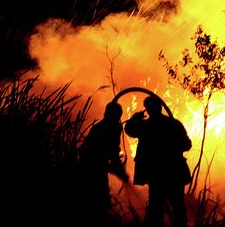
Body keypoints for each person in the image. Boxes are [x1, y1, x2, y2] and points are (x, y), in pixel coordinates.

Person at [125, 96, 192, 227]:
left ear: (148, 110)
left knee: (156, 208)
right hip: (175, 172)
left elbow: (129, 130)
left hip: (156, 175)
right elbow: (187, 145)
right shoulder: (174, 124)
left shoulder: (145, 126)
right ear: (160, 107)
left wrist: (135, 118)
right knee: (178, 206)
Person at [78, 101, 130, 223]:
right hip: (91, 167)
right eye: (117, 116)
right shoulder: (110, 128)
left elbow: (110, 154)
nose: (118, 120)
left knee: (97, 199)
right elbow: (110, 153)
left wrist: (117, 169)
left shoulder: (102, 126)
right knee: (100, 200)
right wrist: (118, 170)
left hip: (92, 165)